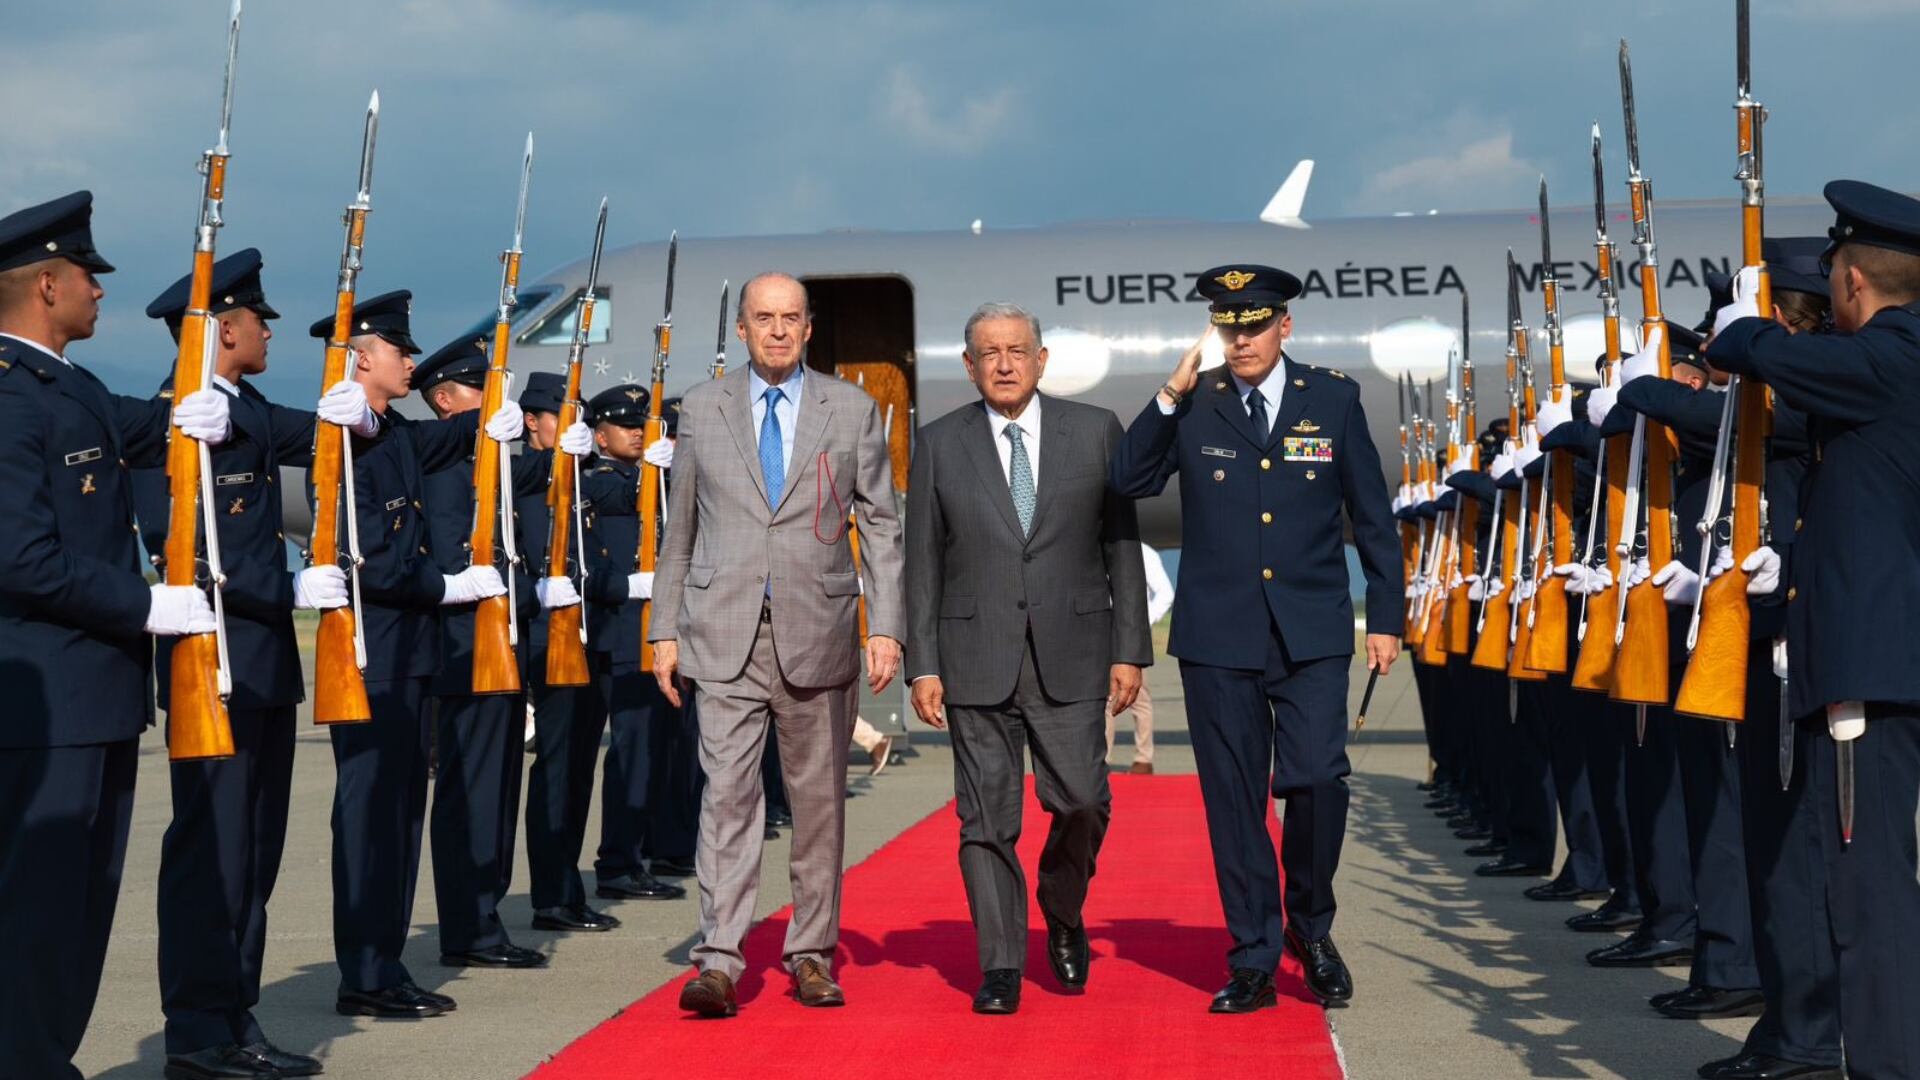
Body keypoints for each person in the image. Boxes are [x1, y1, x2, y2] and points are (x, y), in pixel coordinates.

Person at [1109, 264, 1402, 1011]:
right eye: (1228, 325)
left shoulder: (1332, 399)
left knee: (1315, 780)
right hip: (1218, 639)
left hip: (1310, 633)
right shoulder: (1195, 406)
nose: (1240, 339)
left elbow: (1372, 515)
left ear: (1284, 327)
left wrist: (1391, 618)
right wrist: (1172, 390)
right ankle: (1252, 957)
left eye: (1254, 324)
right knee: (1234, 802)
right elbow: (1128, 479)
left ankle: (1310, 921)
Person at [0, 190, 230, 1080]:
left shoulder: (75, 387)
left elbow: (158, 422)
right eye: (89, 278)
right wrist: (144, 605)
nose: (103, 293)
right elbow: (20, 559)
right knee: (35, 913)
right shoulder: (15, 401)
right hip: (46, 706)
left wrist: (197, 401)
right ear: (48, 285)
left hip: (94, 703)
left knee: (78, 913)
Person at [1700, 180, 1920, 1080]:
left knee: (1869, 898)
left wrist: (1748, 314)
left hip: (1871, 665)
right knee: (1864, 888)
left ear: (1853, 285)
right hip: (1871, 655)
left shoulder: (1889, 358)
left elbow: (1748, 350)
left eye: (1832, 276)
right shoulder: (1883, 362)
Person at [651, 272, 905, 1017]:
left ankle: (812, 955)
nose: (778, 331)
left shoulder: (852, 409)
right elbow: (680, 531)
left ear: (809, 327)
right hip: (721, 633)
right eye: (764, 318)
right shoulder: (700, 408)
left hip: (818, 634)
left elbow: (882, 524)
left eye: (791, 318)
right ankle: (720, 960)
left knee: (818, 806)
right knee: (727, 799)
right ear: (741, 329)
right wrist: (663, 627)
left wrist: (884, 625)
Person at [906, 301, 1151, 1014]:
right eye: (990, 352)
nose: (1005, 363)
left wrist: (1130, 647)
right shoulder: (940, 442)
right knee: (985, 822)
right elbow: (921, 562)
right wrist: (924, 662)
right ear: (970, 365)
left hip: (1075, 654)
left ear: (1042, 360)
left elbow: (1121, 545)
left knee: (1081, 800)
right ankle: (1002, 964)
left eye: (1018, 350)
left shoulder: (1096, 430)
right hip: (973, 656)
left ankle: (1061, 904)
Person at [137, 249, 337, 1079]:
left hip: (260, 670)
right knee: (210, 855)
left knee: (252, 853)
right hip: (209, 668)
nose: (267, 330)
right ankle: (196, 1031)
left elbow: (323, 428)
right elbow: (170, 541)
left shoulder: (243, 408)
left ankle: (235, 1016)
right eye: (257, 319)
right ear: (224, 327)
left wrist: (357, 399)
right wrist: (290, 581)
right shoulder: (173, 416)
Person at [309, 290, 523, 1019]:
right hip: (373, 659)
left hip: (410, 660)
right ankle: (363, 973)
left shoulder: (392, 433)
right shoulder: (345, 444)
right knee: (371, 820)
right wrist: (449, 586)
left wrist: (492, 420)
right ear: (363, 357)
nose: (410, 360)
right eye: (399, 350)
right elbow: (375, 560)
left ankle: (384, 965)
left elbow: (450, 439)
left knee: (399, 818)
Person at [411, 333, 557, 971]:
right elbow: (448, 548)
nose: (492, 400)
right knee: (469, 788)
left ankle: (485, 914)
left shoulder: (485, 459)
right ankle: (466, 924)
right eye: (479, 389)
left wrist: (567, 448)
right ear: (446, 400)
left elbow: (546, 476)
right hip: (464, 646)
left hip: (500, 640)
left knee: (497, 789)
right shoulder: (441, 463)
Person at [517, 371, 633, 932]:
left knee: (580, 768)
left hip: (594, 639)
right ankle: (550, 895)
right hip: (549, 639)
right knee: (558, 770)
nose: (574, 430)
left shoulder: (585, 479)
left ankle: (568, 886)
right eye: (560, 419)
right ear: (532, 423)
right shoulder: (521, 481)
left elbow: (626, 498)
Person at [573, 383, 688, 902]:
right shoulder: (599, 480)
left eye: (642, 424)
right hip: (619, 637)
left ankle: (641, 851)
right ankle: (617, 862)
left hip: (653, 633)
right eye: (626, 426)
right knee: (631, 753)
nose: (638, 432)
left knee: (654, 751)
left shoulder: (645, 479)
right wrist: (655, 473)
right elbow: (618, 500)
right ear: (599, 435)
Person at [1105, 543, 1172, 773]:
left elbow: (1165, 593)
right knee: (1104, 699)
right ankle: (1103, 759)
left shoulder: (1144, 552)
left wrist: (1141, 623)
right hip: (1100, 631)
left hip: (1131, 633)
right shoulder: (1094, 544)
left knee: (1139, 698)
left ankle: (1144, 758)